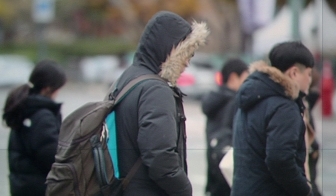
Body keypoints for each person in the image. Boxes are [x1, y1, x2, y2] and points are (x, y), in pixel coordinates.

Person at [111, 11, 209, 196]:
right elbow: (160, 158)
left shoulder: (127, 79)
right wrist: (184, 190)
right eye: (185, 53)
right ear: (168, 48)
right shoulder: (156, 90)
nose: (187, 62)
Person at [231, 41, 314, 196]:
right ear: (294, 73)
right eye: (308, 74)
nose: (310, 80)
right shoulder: (284, 107)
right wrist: (305, 191)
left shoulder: (250, 96)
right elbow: (280, 159)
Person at [2, 59, 66, 196]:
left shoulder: (24, 107)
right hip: (39, 188)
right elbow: (52, 157)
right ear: (49, 88)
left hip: (22, 186)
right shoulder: (42, 116)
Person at [202, 58, 249, 196]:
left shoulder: (214, 100)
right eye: (246, 78)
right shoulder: (234, 102)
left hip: (214, 173)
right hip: (229, 176)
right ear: (234, 78)